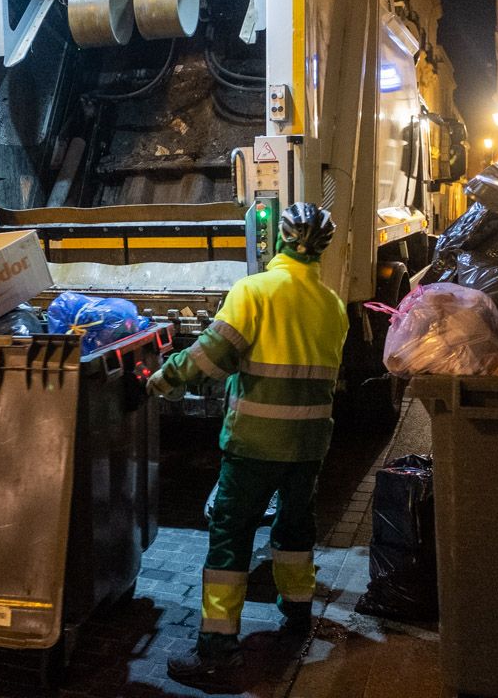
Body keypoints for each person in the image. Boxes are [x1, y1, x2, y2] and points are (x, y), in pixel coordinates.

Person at [147, 202, 349, 690]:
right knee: (295, 528)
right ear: (322, 251)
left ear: (279, 241)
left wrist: (163, 380)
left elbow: (211, 358)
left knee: (230, 537)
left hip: (256, 442)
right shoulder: (334, 306)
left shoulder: (253, 291)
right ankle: (297, 615)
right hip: (309, 444)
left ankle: (218, 651)